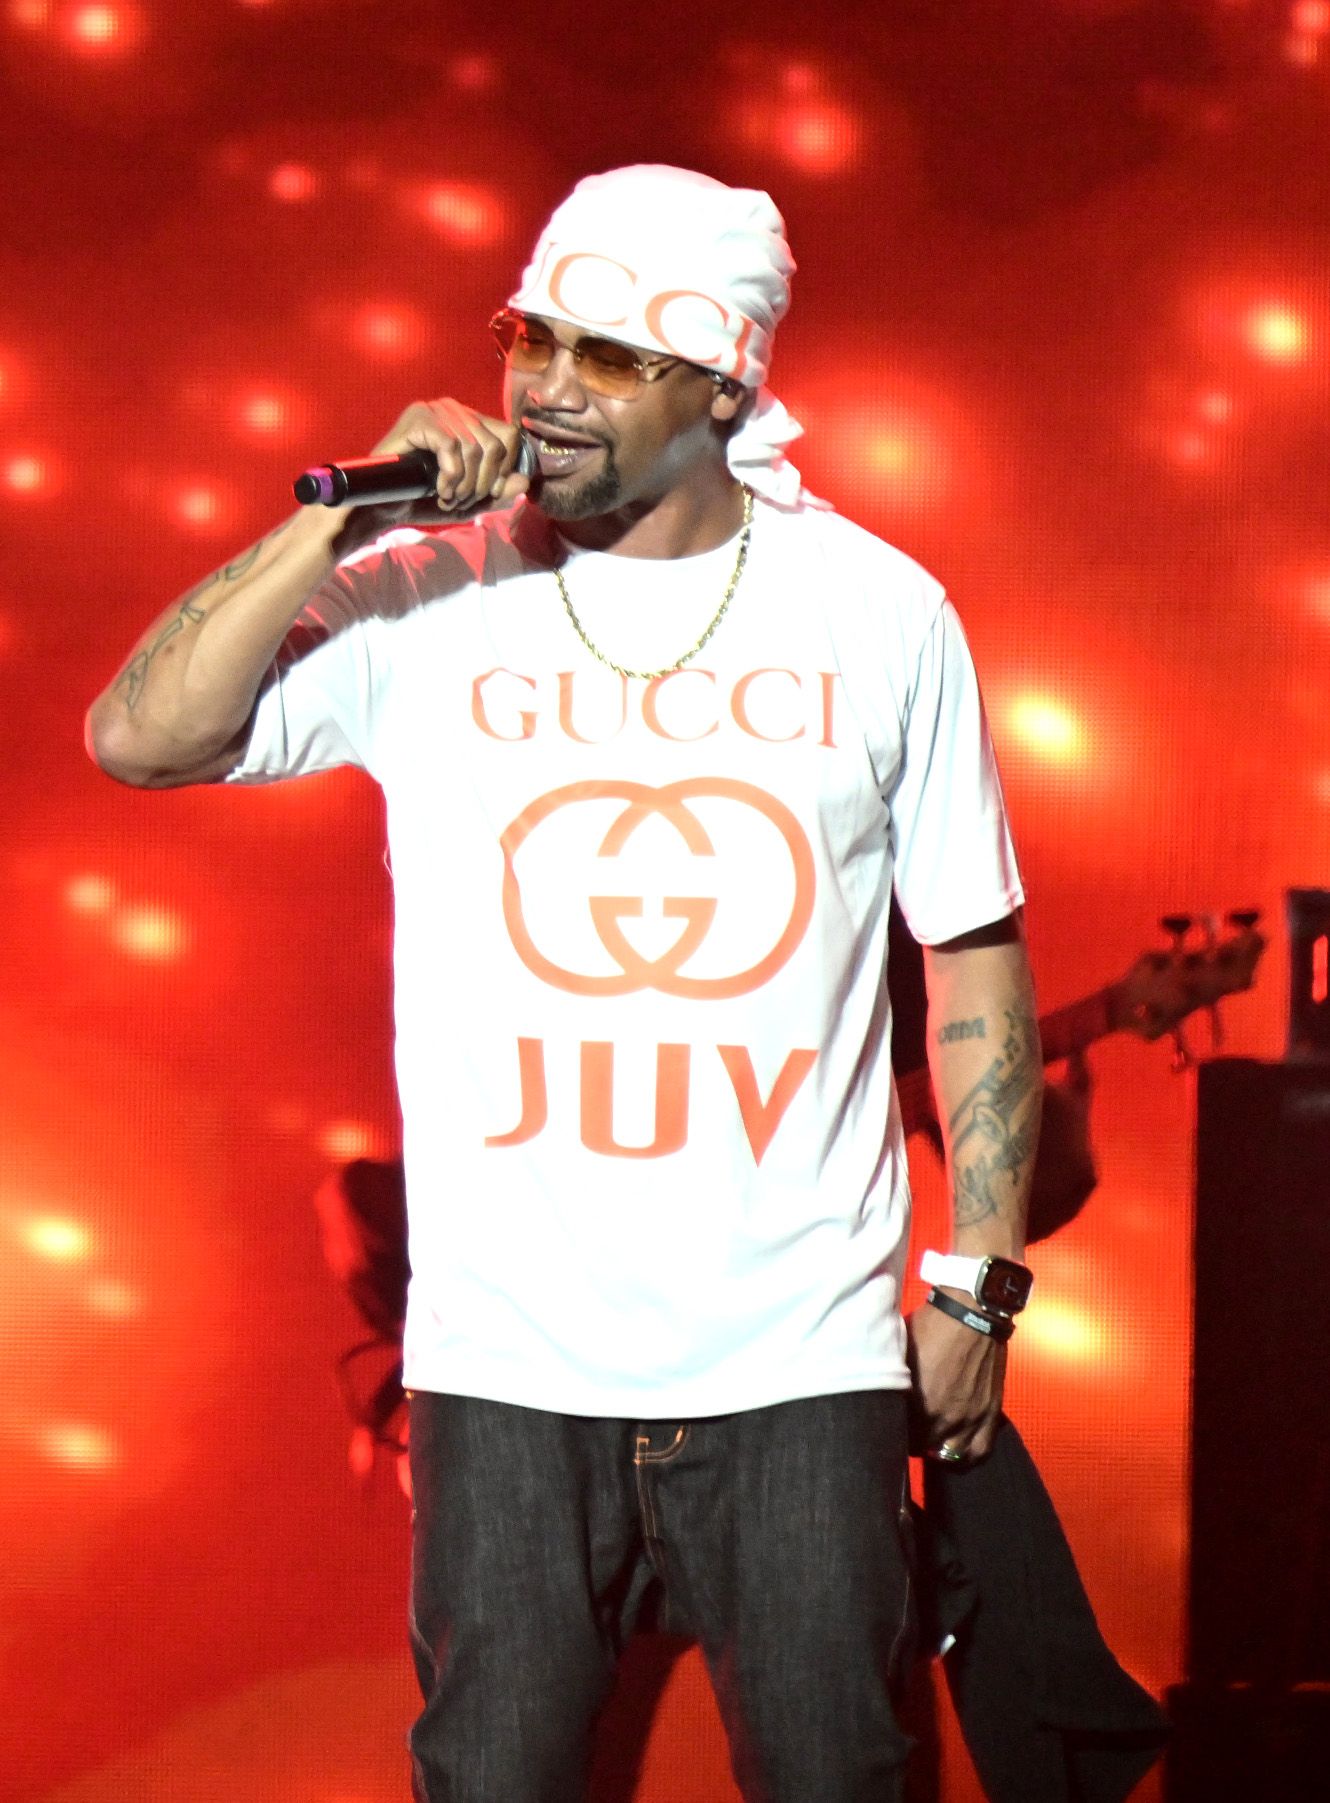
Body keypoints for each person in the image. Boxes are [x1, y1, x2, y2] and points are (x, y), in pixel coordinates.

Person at [87, 165, 1044, 1803]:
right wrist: (335, 519)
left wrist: (977, 1287)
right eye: (529, 336)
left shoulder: (880, 614)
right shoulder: (433, 588)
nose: (544, 384)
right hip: (505, 1364)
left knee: (838, 1775)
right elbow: (138, 737)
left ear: (723, 379)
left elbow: (973, 951)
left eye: (606, 354)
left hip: (797, 1358)